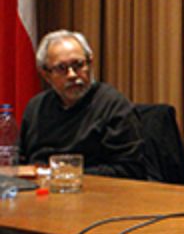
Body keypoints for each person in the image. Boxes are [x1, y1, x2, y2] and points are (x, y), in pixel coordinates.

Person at [18, 30, 146, 178]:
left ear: (90, 63)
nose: (72, 75)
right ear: (46, 74)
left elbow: (129, 170)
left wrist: (62, 174)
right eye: (61, 68)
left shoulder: (113, 105)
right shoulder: (36, 107)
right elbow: (19, 159)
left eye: (78, 65)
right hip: (38, 192)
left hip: (94, 193)